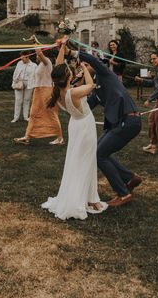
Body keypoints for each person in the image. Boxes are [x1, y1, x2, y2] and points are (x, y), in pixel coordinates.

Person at [67, 43, 142, 207]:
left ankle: (123, 193)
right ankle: (130, 177)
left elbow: (94, 61)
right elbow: (85, 107)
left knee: (99, 155)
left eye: (86, 66)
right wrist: (71, 91)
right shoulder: (95, 88)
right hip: (118, 123)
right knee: (97, 151)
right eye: (82, 67)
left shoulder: (106, 74)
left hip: (128, 121)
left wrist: (73, 52)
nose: (84, 68)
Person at [42, 43, 108, 219]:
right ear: (68, 75)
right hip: (85, 127)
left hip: (75, 125)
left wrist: (63, 46)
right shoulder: (75, 92)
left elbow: (58, 65)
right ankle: (90, 198)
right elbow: (91, 84)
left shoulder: (58, 91)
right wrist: (85, 68)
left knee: (76, 160)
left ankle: (89, 196)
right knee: (87, 161)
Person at [14, 47, 63, 145]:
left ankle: (60, 138)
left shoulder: (47, 62)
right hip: (38, 91)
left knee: (51, 114)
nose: (36, 56)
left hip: (46, 91)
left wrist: (34, 43)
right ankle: (27, 137)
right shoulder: (40, 64)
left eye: (38, 54)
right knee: (33, 114)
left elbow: (40, 53)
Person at [11, 51, 37, 123]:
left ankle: (26, 117)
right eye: (21, 57)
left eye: (22, 57)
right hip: (19, 83)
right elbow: (15, 73)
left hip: (29, 84)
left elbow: (36, 76)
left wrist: (35, 84)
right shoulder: (19, 63)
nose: (21, 59)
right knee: (18, 100)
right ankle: (16, 117)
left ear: (27, 56)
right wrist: (15, 80)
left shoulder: (34, 65)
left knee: (27, 100)